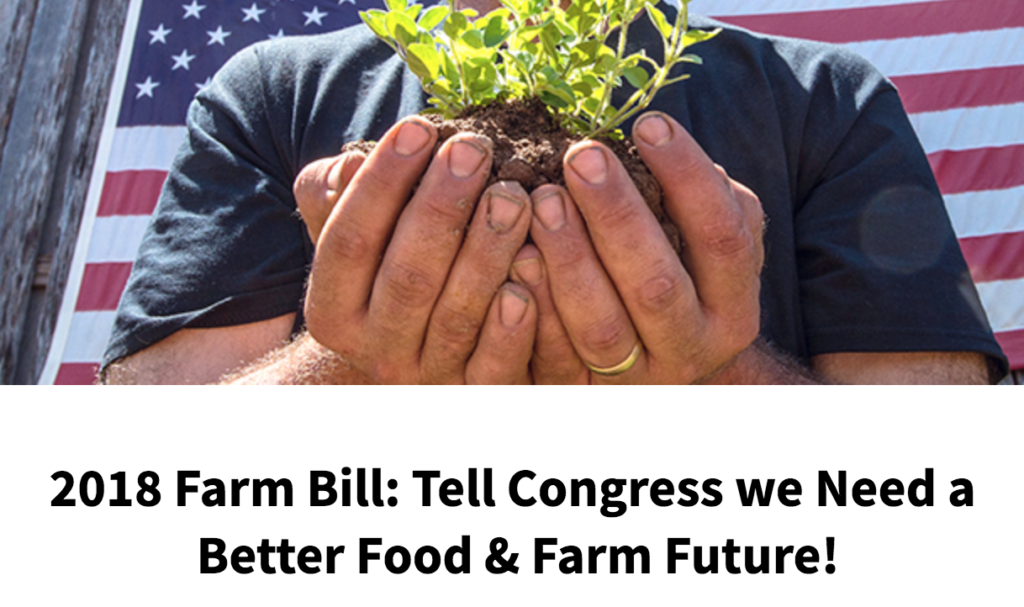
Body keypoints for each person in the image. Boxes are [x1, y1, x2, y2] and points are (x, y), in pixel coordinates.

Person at [101, 1, 1008, 384]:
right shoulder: (271, 94)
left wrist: (711, 366)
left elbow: (943, 492)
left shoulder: (829, 102)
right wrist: (350, 358)